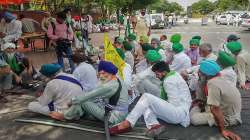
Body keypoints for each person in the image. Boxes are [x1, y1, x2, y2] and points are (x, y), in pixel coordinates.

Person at [109, 61, 192, 137]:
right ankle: (154, 125)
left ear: (164, 72)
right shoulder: (174, 75)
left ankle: (128, 122)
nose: (156, 76)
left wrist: (159, 104)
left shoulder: (169, 81)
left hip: (178, 114)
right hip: (180, 112)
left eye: (157, 74)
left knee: (146, 97)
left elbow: (174, 104)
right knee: (144, 105)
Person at [49, 61, 129, 125]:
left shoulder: (108, 86)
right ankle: (73, 113)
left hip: (114, 118)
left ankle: (64, 116)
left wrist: (71, 101)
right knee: (84, 101)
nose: (100, 75)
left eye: (101, 73)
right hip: (121, 113)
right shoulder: (118, 79)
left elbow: (86, 97)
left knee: (83, 101)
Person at [190, 60, 241, 140]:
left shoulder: (212, 84)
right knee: (205, 104)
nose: (198, 74)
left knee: (193, 118)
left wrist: (223, 130)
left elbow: (215, 109)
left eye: (200, 73)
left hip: (228, 118)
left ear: (205, 75)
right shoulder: (220, 77)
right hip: (231, 111)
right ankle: (199, 106)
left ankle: (196, 107)